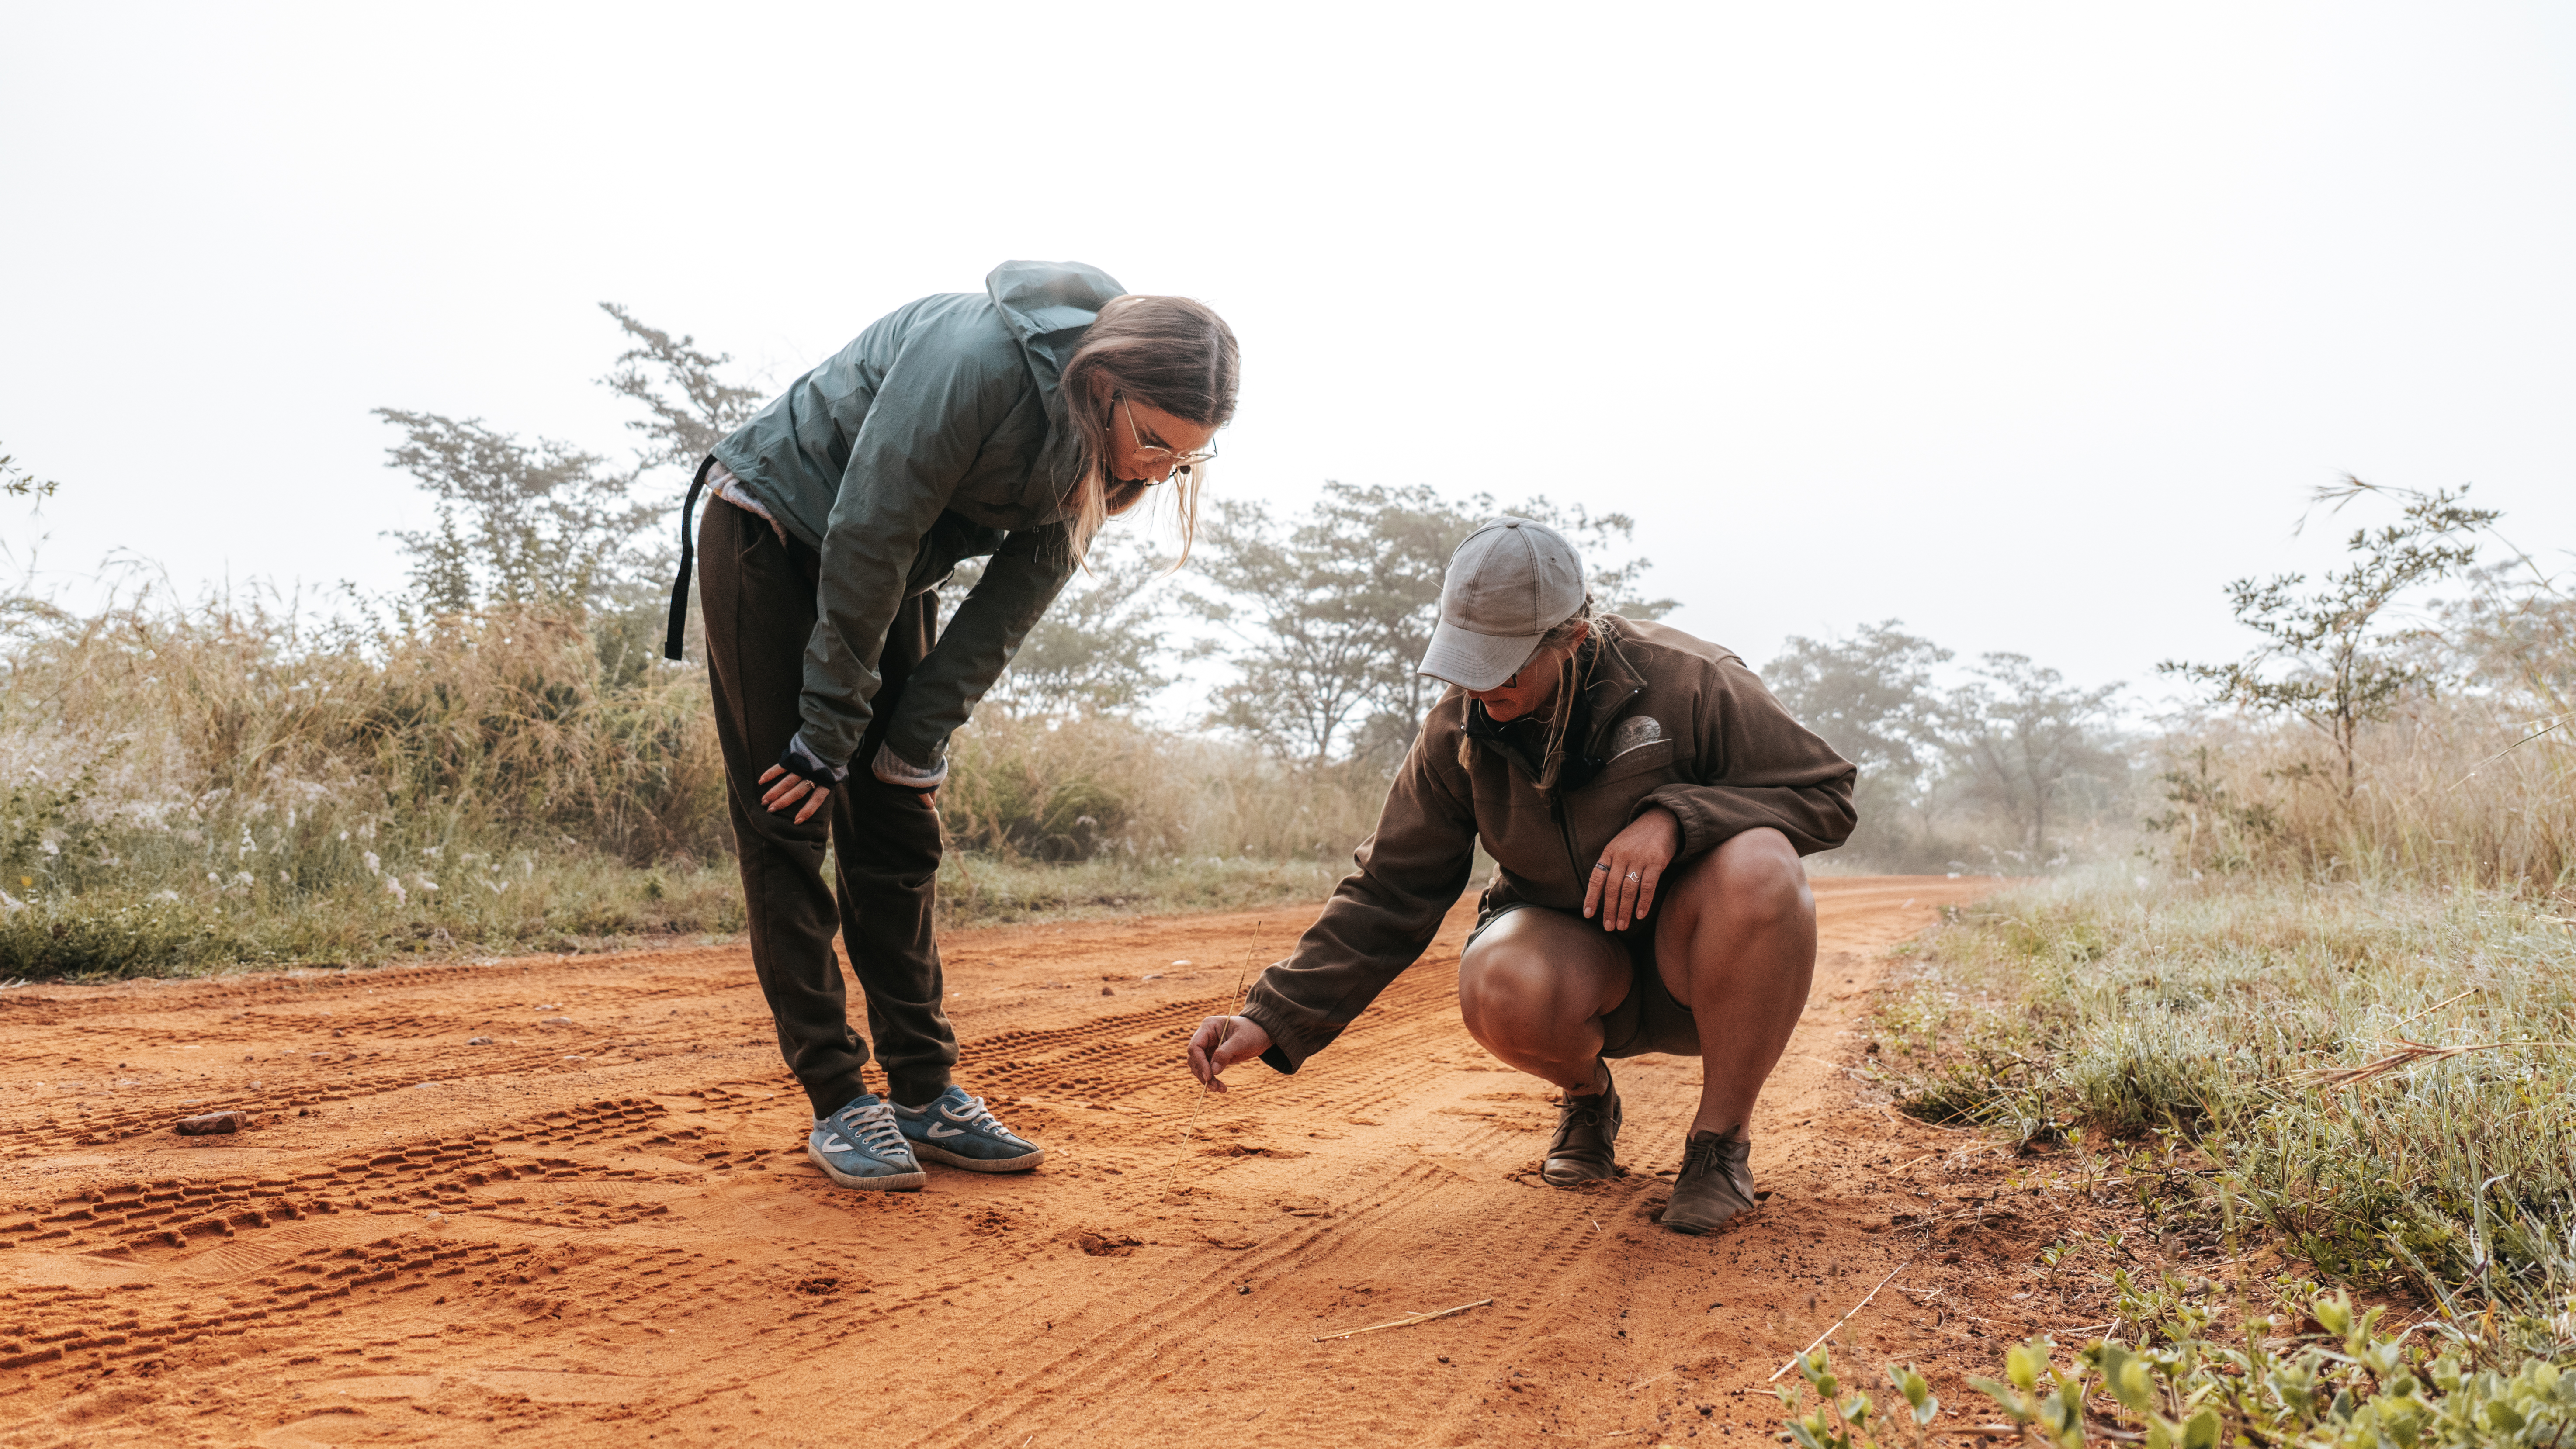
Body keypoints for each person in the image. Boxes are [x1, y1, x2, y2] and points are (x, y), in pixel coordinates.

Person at [666, 260, 1238, 1192]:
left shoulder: (1100, 447)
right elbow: (868, 530)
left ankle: (924, 1094)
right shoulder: (974, 359)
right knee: (790, 809)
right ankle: (838, 1098)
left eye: (1187, 458)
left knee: (897, 815)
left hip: (881, 572)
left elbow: (1006, 610)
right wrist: (826, 730)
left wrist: (913, 742)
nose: (1161, 470)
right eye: (1156, 443)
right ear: (1104, 385)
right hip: (774, 529)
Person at [1184, 518, 1854, 1233]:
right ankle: (1588, 1097)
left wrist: (1677, 818)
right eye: (1465, 660)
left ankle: (1719, 1145)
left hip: (1697, 968)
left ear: (1572, 639)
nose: (1480, 685)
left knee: (1762, 865)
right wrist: (1270, 1014)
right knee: (1496, 973)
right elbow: (1391, 888)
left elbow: (1827, 795)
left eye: (1503, 664)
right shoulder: (1456, 730)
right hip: (1573, 971)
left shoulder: (1692, 680)